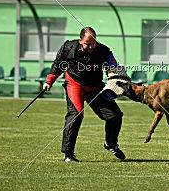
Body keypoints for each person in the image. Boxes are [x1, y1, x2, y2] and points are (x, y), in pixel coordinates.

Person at [43, 27, 125, 162]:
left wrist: (119, 81)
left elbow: (115, 69)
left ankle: (110, 144)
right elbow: (58, 64)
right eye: (88, 44)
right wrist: (49, 81)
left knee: (115, 116)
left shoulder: (103, 51)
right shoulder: (69, 48)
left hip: (95, 87)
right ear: (80, 41)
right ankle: (68, 154)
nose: (91, 46)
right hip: (75, 84)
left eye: (93, 43)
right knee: (76, 115)